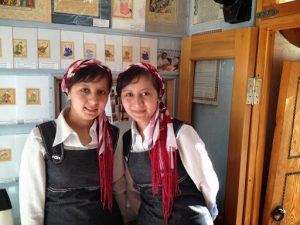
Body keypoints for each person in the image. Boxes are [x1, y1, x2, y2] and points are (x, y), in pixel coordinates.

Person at [19, 59, 126, 225]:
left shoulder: (112, 135)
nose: (93, 100)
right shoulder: (41, 138)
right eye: (84, 90)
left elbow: (118, 189)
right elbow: (32, 206)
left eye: (101, 92)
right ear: (68, 90)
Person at [116, 62, 219, 225]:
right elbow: (134, 191)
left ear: (159, 96)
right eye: (128, 94)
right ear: (120, 99)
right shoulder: (127, 140)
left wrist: (207, 214)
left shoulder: (181, 133)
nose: (137, 102)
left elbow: (207, 183)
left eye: (145, 93)